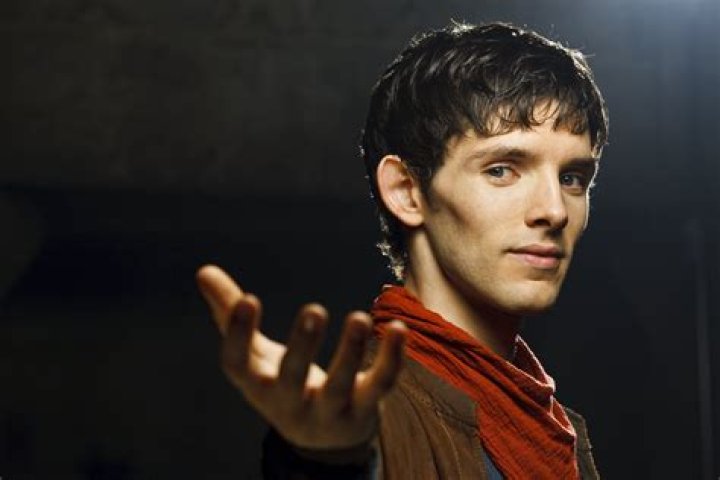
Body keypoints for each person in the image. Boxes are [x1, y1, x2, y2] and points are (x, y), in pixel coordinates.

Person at [196, 20, 608, 479]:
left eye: (573, 178)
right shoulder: (368, 411)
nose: (554, 210)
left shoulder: (549, 424)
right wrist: (325, 459)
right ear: (407, 191)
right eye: (501, 170)